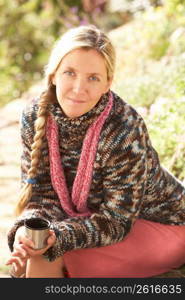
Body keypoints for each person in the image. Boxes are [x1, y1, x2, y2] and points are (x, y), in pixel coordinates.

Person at [6, 24, 185, 278]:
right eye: (70, 72)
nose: (79, 88)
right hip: (93, 218)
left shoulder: (123, 128)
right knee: (28, 253)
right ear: (54, 74)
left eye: (93, 77)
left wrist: (58, 235)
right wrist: (29, 229)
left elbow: (116, 220)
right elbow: (42, 197)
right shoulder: (36, 116)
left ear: (107, 84)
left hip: (161, 224)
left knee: (49, 253)